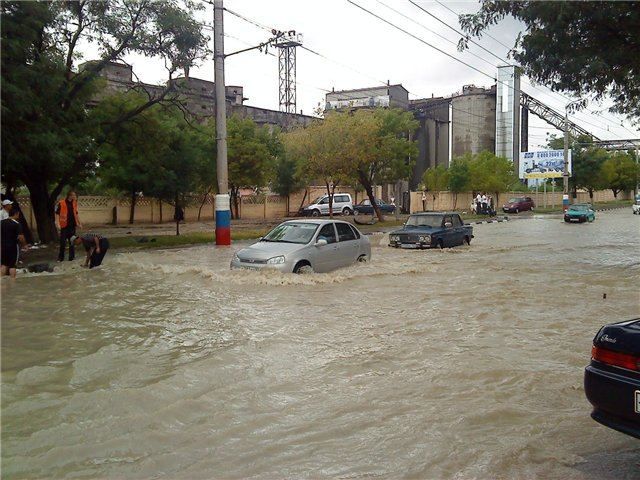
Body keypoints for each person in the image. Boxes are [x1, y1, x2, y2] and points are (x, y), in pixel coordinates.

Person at [1, 206, 28, 278]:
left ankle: (1, 282)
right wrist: (24, 245)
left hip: (3, 246)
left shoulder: (1, 222)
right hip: (13, 246)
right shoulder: (16, 224)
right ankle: (13, 283)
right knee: (12, 265)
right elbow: (21, 237)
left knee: (4, 264)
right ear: (16, 214)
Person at [56, 191, 82, 262]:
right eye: (74, 195)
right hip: (64, 226)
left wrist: (79, 223)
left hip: (72, 226)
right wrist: (57, 223)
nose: (75, 197)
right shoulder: (61, 203)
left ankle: (71, 258)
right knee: (62, 243)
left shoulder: (74, 203)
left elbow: (76, 214)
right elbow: (57, 214)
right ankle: (60, 258)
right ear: (69, 196)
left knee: (72, 242)